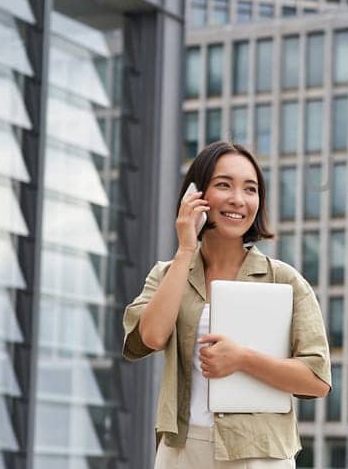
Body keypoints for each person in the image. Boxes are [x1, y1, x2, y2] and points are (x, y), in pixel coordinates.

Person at [122, 141, 331, 468]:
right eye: (224, 185)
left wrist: (243, 359)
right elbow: (151, 337)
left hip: (258, 453)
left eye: (251, 189)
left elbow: (316, 380)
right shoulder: (168, 273)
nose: (238, 199)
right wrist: (185, 251)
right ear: (196, 194)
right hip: (182, 450)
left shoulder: (284, 280)